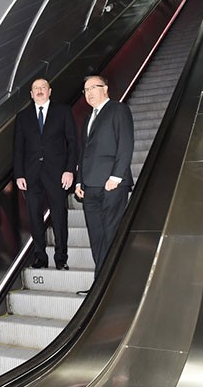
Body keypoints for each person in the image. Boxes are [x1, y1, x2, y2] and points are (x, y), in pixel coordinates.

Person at [75, 75, 134, 289]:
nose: (89, 93)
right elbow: (83, 153)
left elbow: (126, 144)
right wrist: (79, 181)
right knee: (97, 237)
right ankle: (100, 283)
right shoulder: (88, 119)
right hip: (89, 186)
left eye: (93, 87)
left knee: (112, 235)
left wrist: (116, 177)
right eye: (86, 90)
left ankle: (112, 284)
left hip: (112, 184)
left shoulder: (118, 110)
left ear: (105, 88)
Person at [14, 78, 78, 270]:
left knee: (59, 216)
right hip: (31, 175)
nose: (39, 90)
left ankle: (61, 258)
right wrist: (19, 174)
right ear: (31, 94)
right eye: (36, 88)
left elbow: (72, 142)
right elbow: (18, 148)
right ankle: (40, 257)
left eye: (43, 87)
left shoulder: (63, 111)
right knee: (34, 217)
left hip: (58, 174)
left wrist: (69, 169)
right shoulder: (23, 117)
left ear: (50, 91)